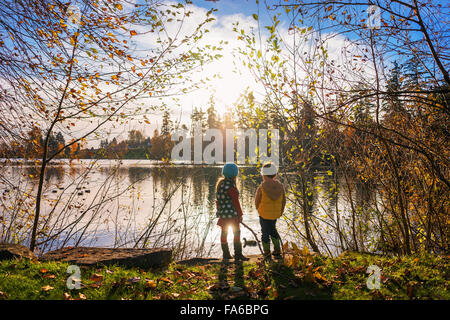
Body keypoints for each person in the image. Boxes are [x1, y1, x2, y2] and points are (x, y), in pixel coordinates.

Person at [216, 162, 249, 261]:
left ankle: (226, 254)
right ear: (235, 175)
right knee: (237, 233)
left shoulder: (220, 185)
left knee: (224, 233)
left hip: (223, 215)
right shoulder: (231, 187)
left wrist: (220, 211)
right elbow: (236, 202)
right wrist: (240, 214)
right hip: (232, 215)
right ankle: (238, 254)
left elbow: (218, 201)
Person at [255, 162, 286, 260]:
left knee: (265, 232)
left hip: (264, 213)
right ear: (275, 174)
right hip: (275, 214)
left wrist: (259, 210)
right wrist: (280, 211)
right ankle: (277, 250)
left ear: (263, 175)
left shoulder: (262, 187)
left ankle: (267, 253)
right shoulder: (280, 186)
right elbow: (284, 201)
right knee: (273, 230)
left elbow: (257, 201)